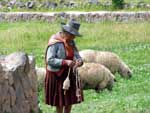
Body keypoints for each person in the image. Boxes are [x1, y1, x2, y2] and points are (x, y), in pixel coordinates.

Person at [45, 19, 84, 113]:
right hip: (56, 75)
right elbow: (49, 60)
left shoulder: (71, 42)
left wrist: (80, 61)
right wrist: (65, 62)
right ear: (66, 33)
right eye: (73, 35)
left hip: (68, 74)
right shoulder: (55, 42)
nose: (74, 37)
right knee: (60, 101)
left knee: (69, 100)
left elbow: (77, 55)